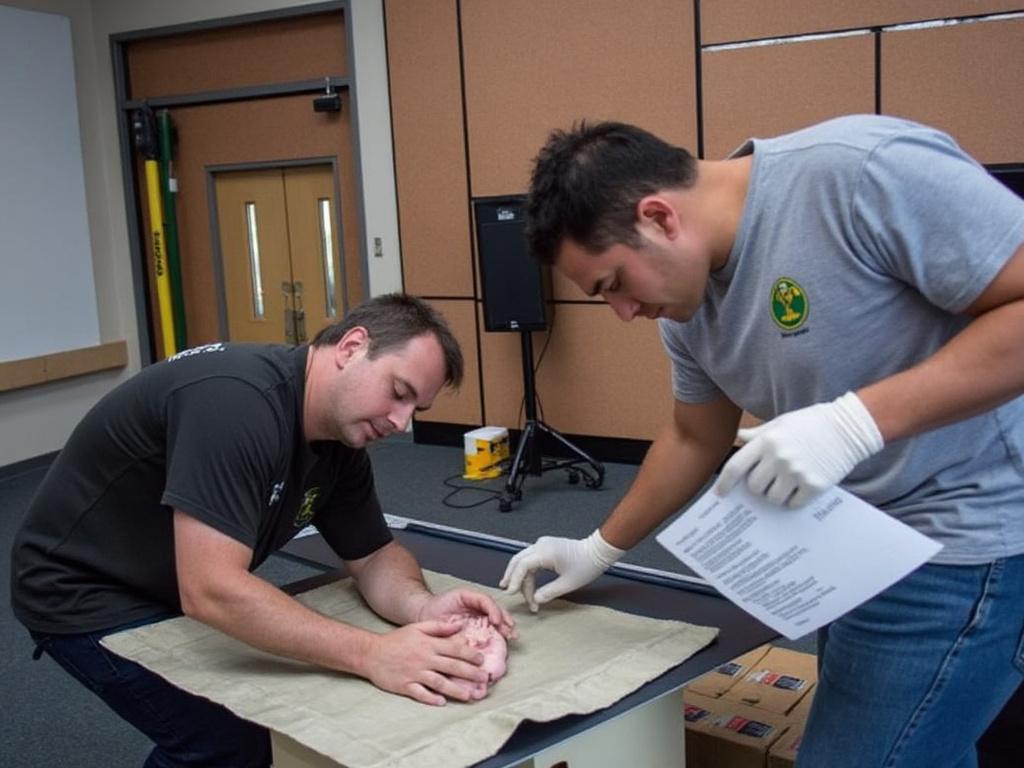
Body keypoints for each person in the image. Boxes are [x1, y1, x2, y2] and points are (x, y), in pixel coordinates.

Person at [499, 115, 1024, 767]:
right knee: (923, 742)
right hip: (852, 541)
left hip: (966, 536)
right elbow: (695, 435)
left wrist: (855, 422)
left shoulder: (858, 174)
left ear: (660, 217)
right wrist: (599, 548)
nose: (623, 313)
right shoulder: (686, 305)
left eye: (614, 284)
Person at [11, 293, 516, 768]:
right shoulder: (236, 403)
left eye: (415, 409)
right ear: (351, 346)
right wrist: (374, 653)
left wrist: (423, 607)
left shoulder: (342, 440)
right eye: (399, 393)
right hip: (81, 589)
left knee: (285, 707)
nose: (401, 423)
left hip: (169, 579)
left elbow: (374, 554)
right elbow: (211, 590)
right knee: (226, 741)